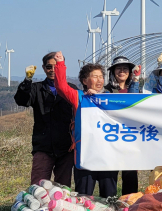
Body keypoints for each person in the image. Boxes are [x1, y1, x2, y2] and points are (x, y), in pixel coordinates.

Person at [52, 51, 129, 198]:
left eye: (101, 76)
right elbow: (61, 86)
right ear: (84, 80)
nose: (99, 80)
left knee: (109, 197)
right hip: (85, 156)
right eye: (95, 77)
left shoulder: (110, 98)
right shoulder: (79, 97)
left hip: (107, 156)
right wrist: (60, 64)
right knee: (84, 197)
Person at [14, 52, 75, 187]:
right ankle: (37, 208)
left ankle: (59, 208)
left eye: (56, 66)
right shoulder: (36, 88)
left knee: (63, 188)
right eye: (49, 67)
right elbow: (22, 100)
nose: (52, 70)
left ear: (62, 66)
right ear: (43, 68)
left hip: (66, 146)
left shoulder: (72, 89)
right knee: (38, 186)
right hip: (43, 145)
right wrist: (27, 81)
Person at [104, 55, 139, 195]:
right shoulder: (105, 91)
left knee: (130, 175)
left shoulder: (137, 88)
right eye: (119, 69)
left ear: (130, 72)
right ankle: (109, 205)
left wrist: (136, 82)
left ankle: (129, 206)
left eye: (125, 69)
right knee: (109, 175)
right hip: (111, 137)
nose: (122, 71)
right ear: (113, 72)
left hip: (130, 138)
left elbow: (134, 103)